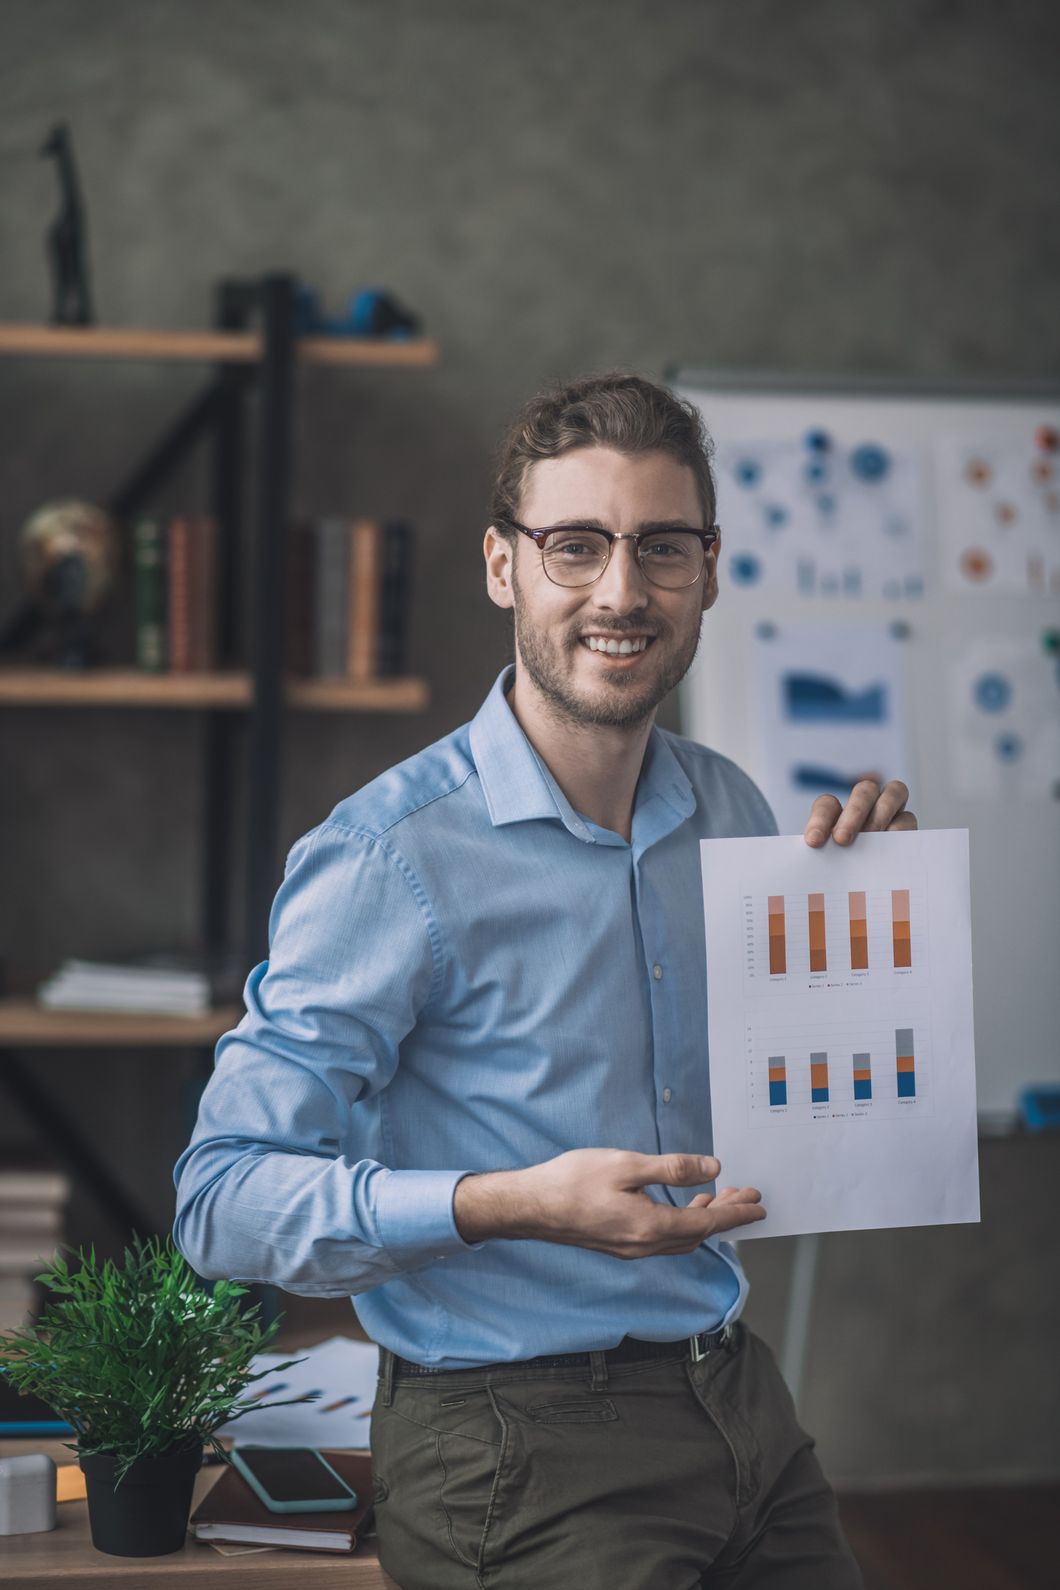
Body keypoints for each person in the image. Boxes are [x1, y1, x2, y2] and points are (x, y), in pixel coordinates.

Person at [174, 373, 915, 1589]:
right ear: (501, 566)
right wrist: (511, 1202)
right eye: (574, 547)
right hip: (508, 1437)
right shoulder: (387, 857)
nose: (621, 593)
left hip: (736, 1398)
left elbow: (800, 1095)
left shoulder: (734, 809)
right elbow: (222, 1201)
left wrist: (888, 920)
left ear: (710, 568)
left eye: (660, 549)